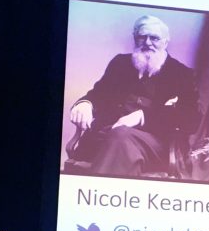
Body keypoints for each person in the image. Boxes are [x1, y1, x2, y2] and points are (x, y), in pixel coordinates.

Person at [67, 14, 200, 176]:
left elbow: (191, 119)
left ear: (166, 42)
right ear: (135, 38)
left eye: (154, 38)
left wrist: (143, 116)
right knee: (118, 138)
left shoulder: (182, 74)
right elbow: (98, 94)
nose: (148, 42)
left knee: (121, 135)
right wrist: (85, 104)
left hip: (154, 146)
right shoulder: (120, 64)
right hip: (104, 138)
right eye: (142, 37)